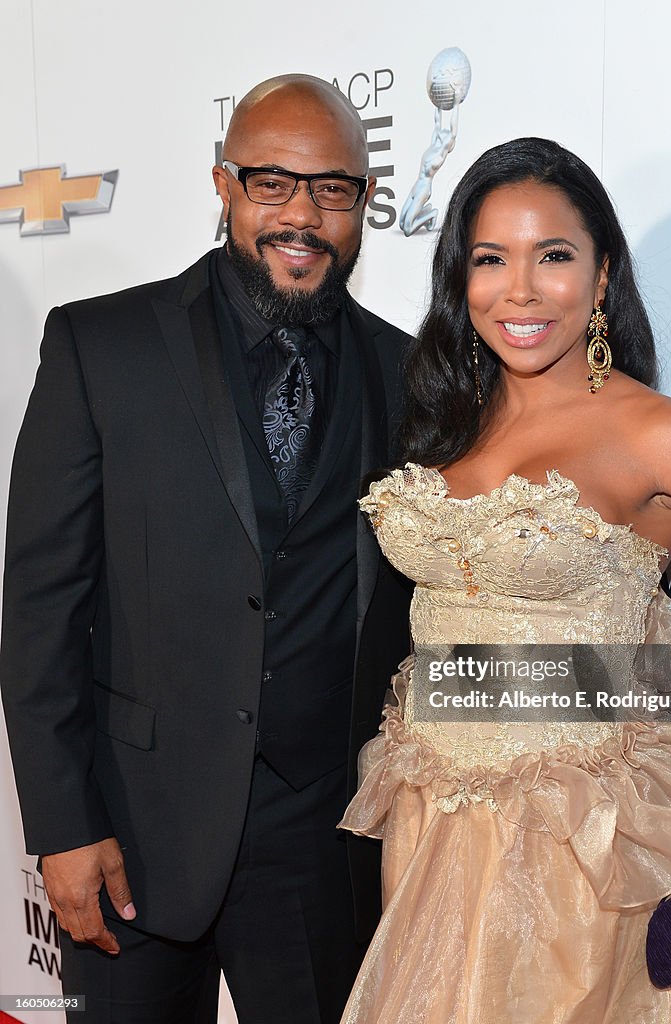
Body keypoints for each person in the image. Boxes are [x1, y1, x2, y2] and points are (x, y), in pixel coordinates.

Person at [337, 137, 671, 1022]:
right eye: (491, 259)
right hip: (434, 834)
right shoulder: (445, 420)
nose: (519, 289)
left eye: (552, 256)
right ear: (461, 278)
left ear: (602, 278)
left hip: (594, 852)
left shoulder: (658, 432)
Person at [0, 75, 412, 1024]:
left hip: (322, 845)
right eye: (272, 183)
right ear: (222, 184)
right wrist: (62, 829)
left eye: (333, 190)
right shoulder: (99, 347)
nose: (302, 215)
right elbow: (42, 613)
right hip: (131, 834)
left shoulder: (406, 372)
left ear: (362, 207)